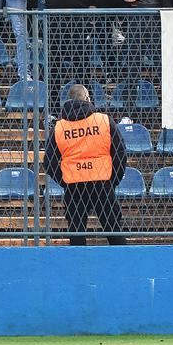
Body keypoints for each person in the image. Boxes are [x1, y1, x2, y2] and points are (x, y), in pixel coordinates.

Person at [43, 84, 128, 245]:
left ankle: (77, 267)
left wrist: (65, 181)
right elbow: (120, 152)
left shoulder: (59, 127)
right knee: (113, 228)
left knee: (76, 230)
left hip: (74, 185)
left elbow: (49, 161)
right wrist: (113, 179)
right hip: (102, 182)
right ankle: (123, 265)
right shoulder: (103, 120)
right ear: (87, 99)